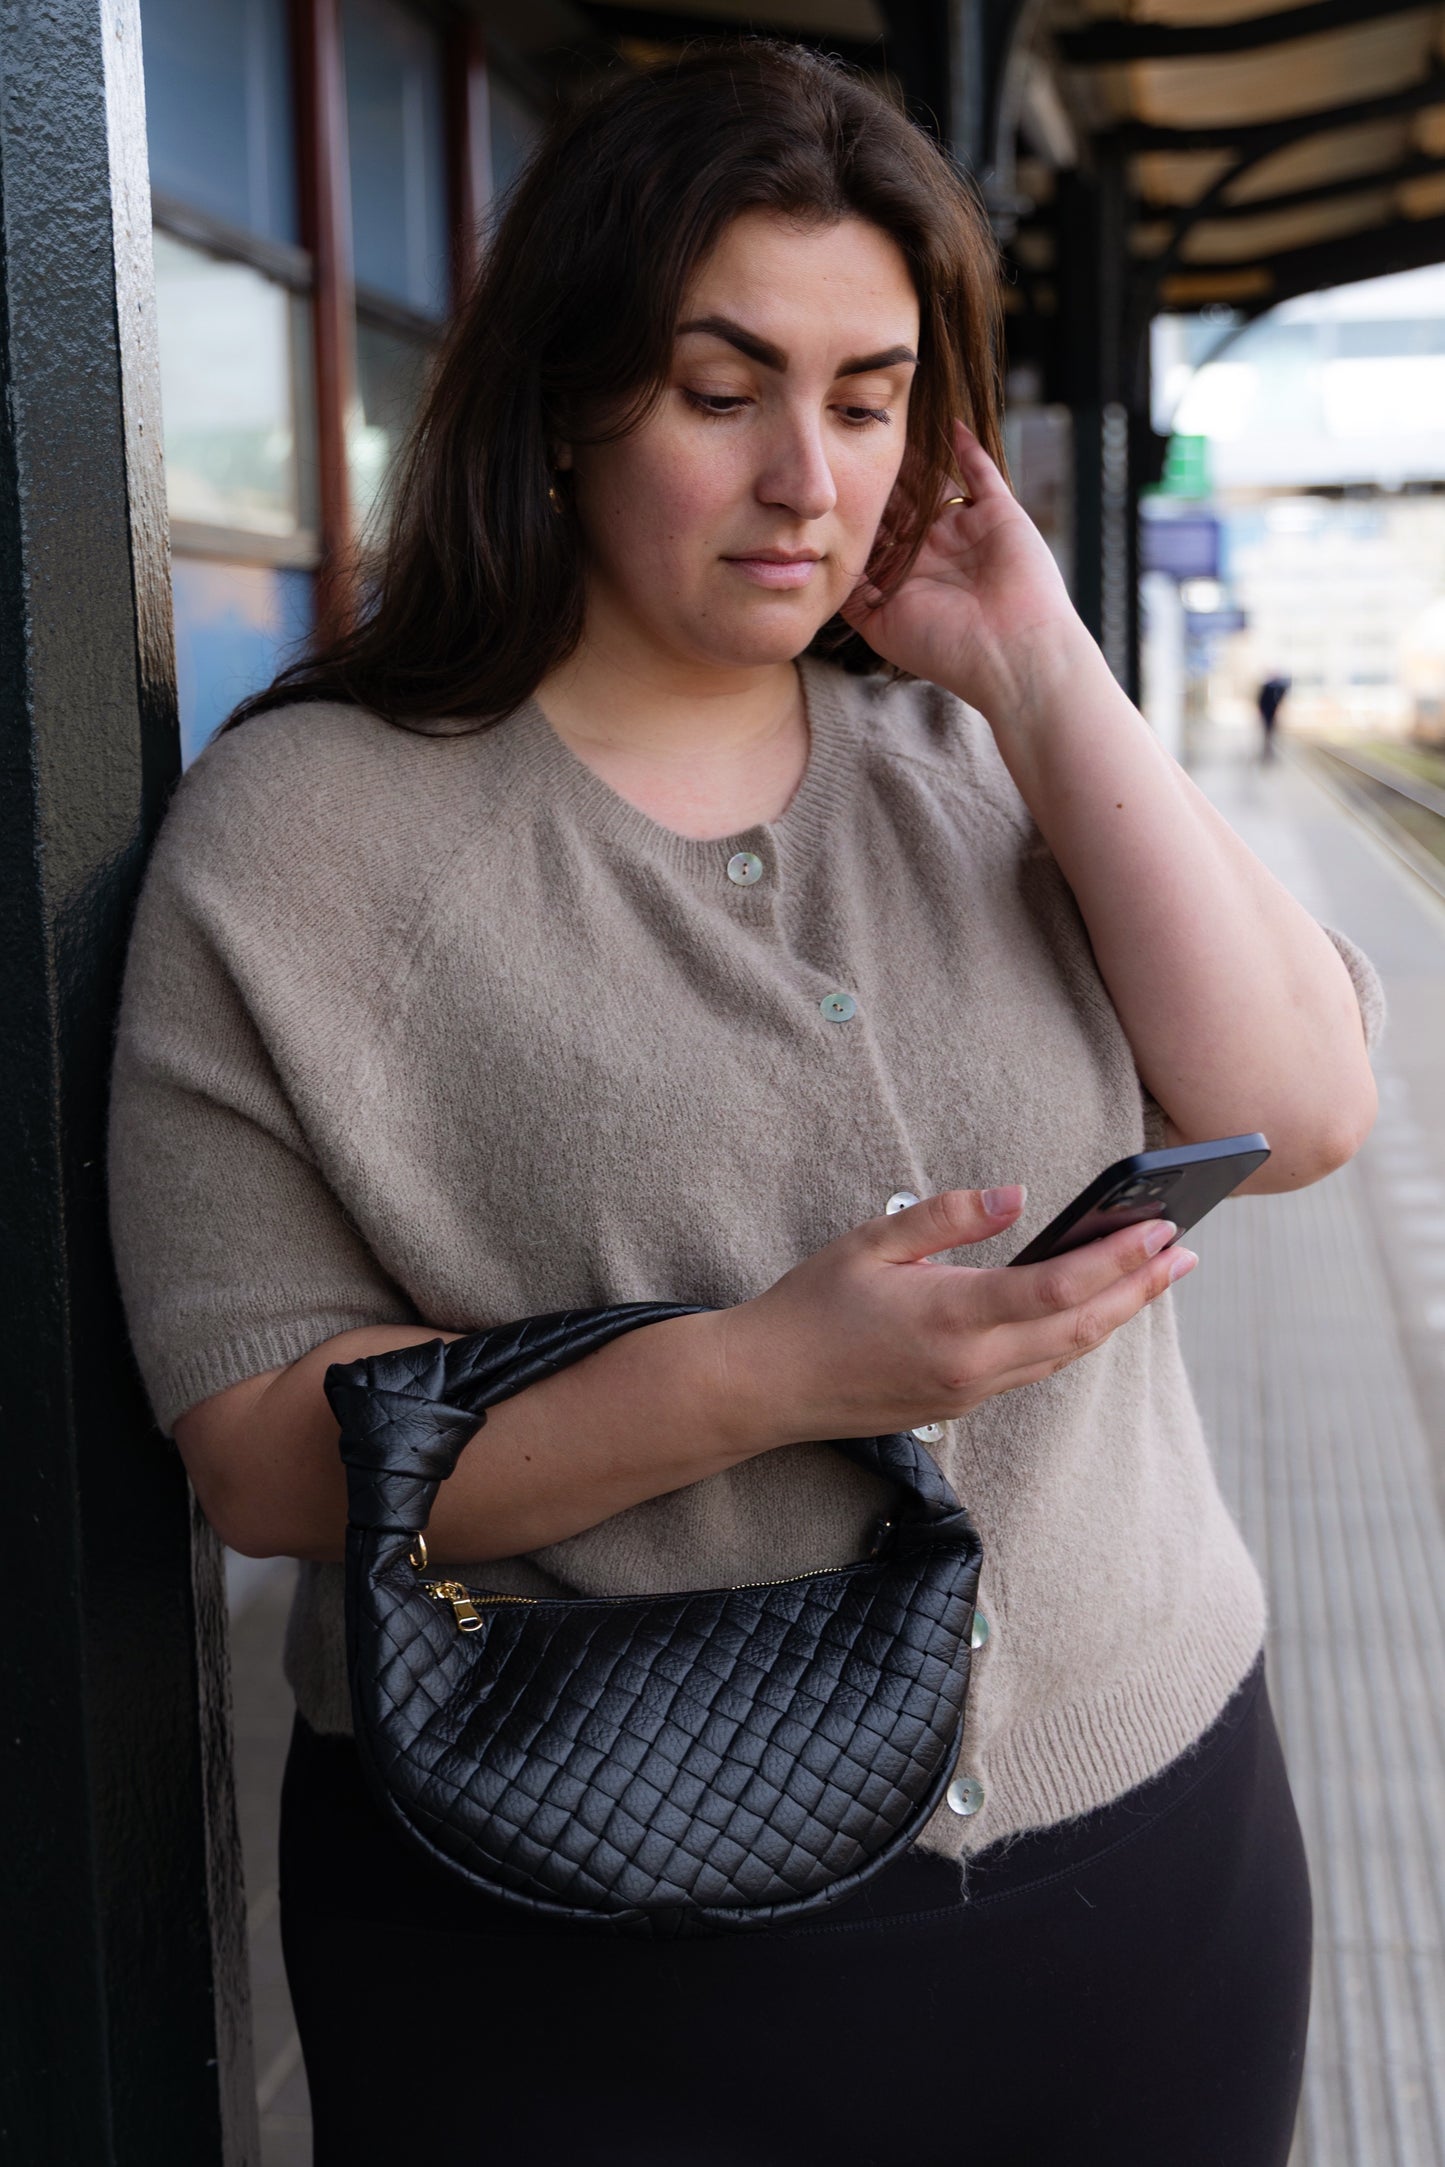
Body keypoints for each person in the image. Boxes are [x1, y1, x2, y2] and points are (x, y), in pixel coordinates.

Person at [106, 43, 1383, 2167]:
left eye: (868, 399)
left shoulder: (972, 753)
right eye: (724, 393)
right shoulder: (305, 839)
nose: (809, 473)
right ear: (564, 392)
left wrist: (1041, 658)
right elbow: (257, 1446)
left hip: (1137, 1846)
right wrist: (760, 1378)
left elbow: (1303, 1103)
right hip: (582, 1932)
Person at [1258, 671, 1291, 762]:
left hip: (1272, 712)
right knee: (1268, 731)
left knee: (1272, 731)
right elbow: (1261, 700)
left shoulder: (1278, 687)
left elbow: (1281, 697)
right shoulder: (1267, 687)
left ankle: (1270, 749)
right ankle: (1267, 749)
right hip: (1267, 713)